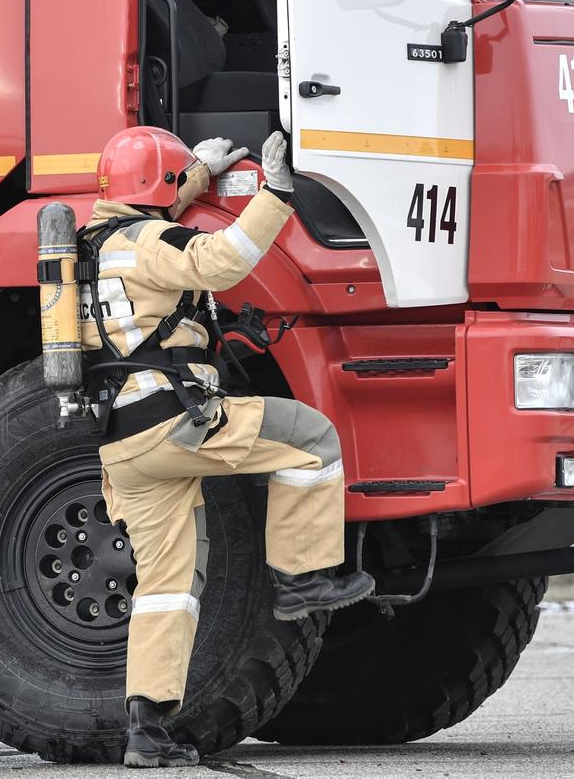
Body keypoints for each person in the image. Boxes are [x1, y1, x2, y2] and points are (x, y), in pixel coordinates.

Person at [79, 127, 375, 768]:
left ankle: (146, 728)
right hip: (175, 426)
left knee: (167, 585)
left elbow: (154, 221)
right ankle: (300, 579)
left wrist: (192, 180)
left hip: (123, 447)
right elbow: (223, 260)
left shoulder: (91, 248)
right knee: (312, 440)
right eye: (175, 176)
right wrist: (276, 191)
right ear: (158, 187)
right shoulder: (152, 243)